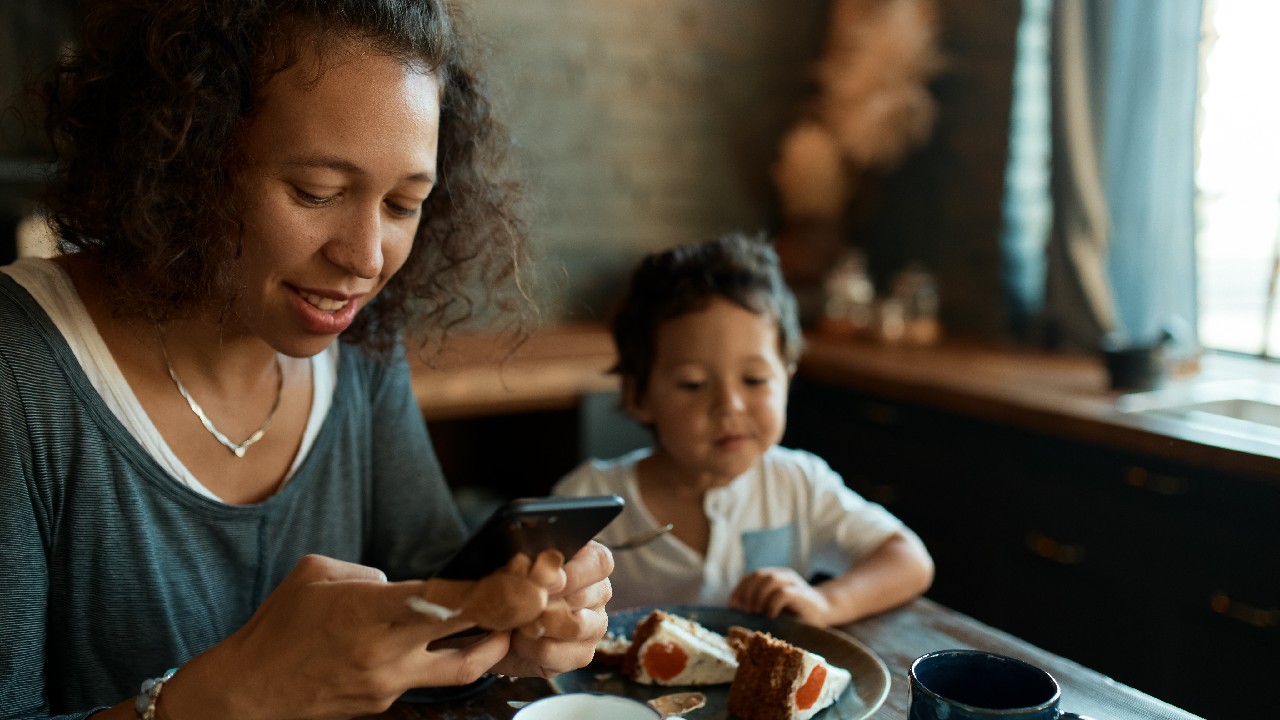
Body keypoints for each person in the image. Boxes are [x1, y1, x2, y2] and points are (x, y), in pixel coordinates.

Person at [0, 1, 613, 719]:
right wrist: (233, 696)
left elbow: (430, 598)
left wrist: (503, 633)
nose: (366, 258)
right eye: (316, 193)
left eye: (403, 204)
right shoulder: (19, 370)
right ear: (179, 155)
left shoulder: (358, 346)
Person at [552, 232, 932, 626]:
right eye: (693, 384)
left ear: (787, 378)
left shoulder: (799, 484)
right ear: (639, 396)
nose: (730, 405)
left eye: (754, 380)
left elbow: (909, 558)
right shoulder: (588, 500)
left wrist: (828, 602)